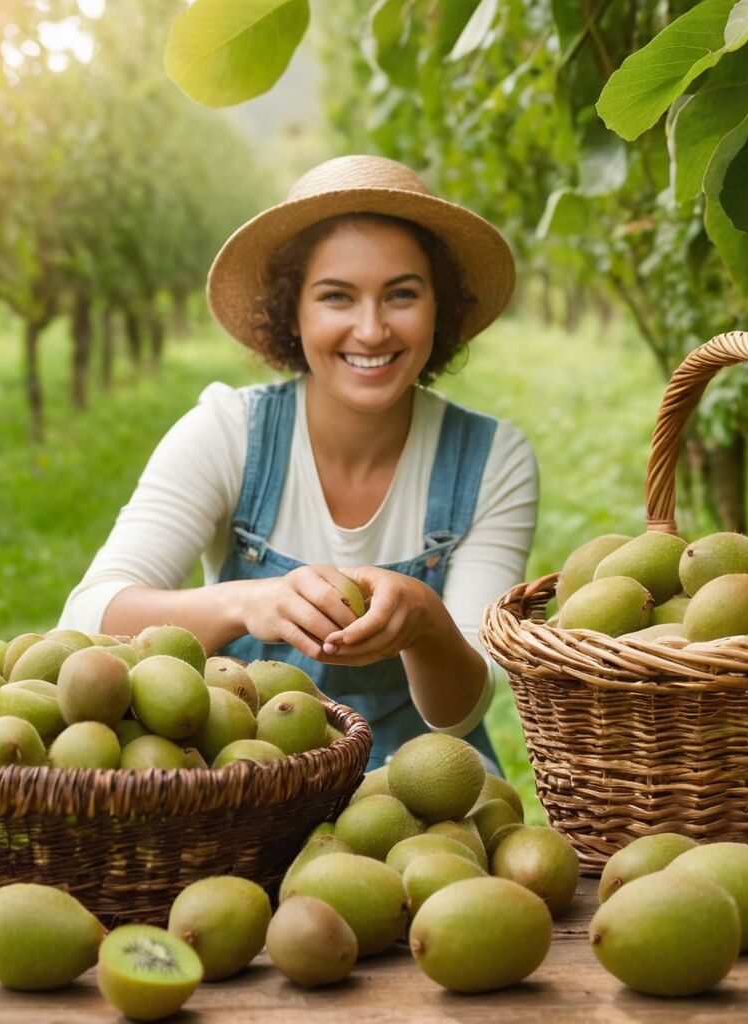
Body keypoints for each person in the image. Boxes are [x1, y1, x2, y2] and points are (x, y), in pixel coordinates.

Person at [59, 154, 538, 770]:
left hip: (419, 788)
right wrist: (248, 602)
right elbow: (86, 619)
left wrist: (425, 622)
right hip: (247, 773)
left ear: (438, 307)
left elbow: (459, 713)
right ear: (293, 312)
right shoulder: (228, 434)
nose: (370, 329)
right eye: (337, 297)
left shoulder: (493, 459)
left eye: (401, 295)